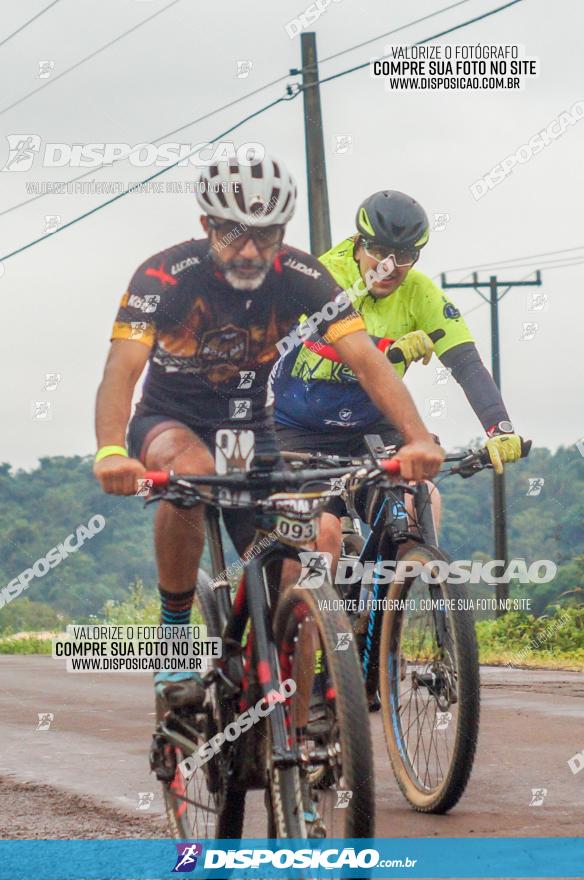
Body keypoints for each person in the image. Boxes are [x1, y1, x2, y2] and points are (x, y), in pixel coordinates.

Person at [93, 160, 444, 711]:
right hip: (171, 420)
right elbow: (122, 369)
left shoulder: (302, 277)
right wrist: (113, 449)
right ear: (208, 225)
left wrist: (418, 437)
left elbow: (367, 362)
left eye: (268, 234)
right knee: (193, 473)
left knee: (306, 559)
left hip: (247, 434)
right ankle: (175, 633)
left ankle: (298, 746)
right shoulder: (165, 276)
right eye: (236, 233)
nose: (252, 249)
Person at [272, 189, 522, 570]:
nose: (389, 266)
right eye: (379, 252)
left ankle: (386, 619)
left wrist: (499, 427)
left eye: (404, 256)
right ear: (358, 245)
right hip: (300, 428)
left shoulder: (420, 293)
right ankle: (314, 622)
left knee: (421, 505)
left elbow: (467, 363)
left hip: (374, 428)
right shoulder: (324, 275)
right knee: (322, 538)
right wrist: (390, 350)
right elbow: (319, 341)